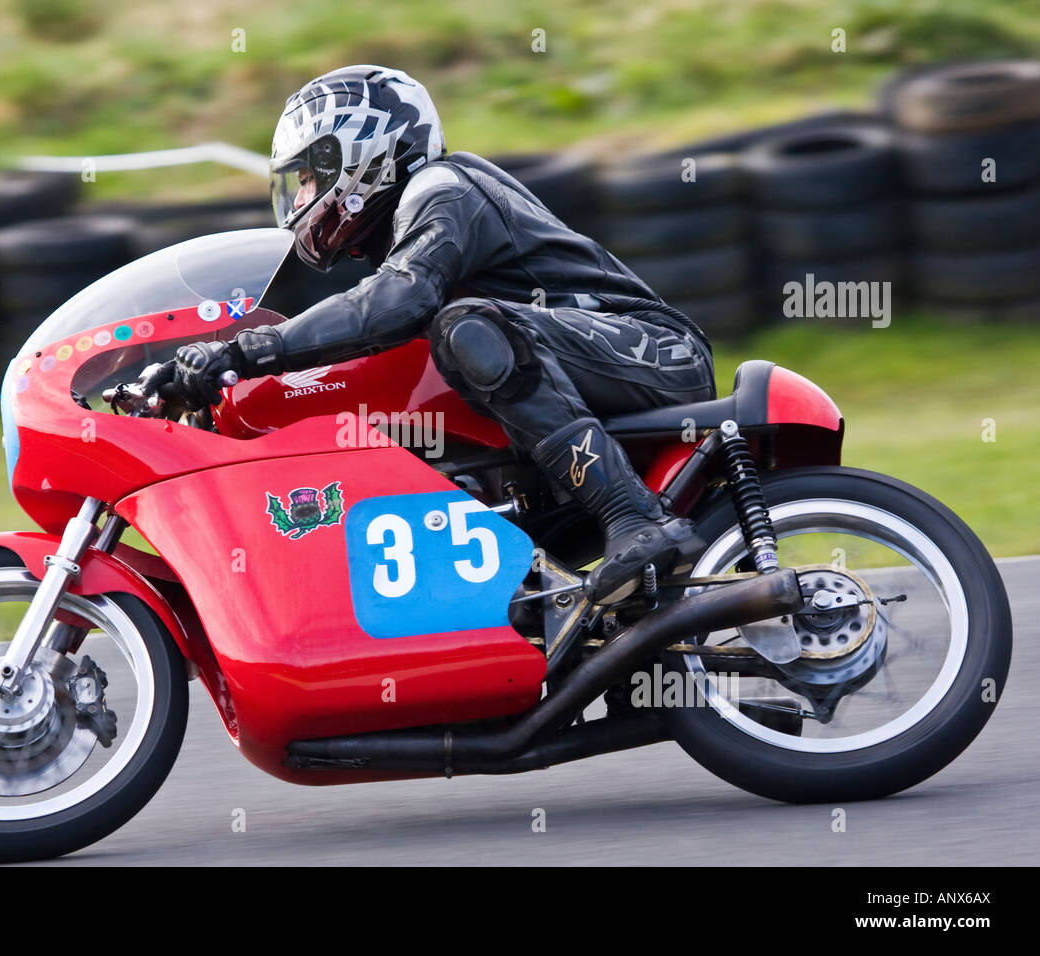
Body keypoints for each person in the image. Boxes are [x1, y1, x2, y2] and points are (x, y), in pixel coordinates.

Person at [144, 65, 717, 605]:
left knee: (464, 327)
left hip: (654, 351)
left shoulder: (443, 188)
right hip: (591, 360)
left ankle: (633, 516)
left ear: (363, 154)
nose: (300, 198)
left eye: (312, 176)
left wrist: (247, 351)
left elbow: (398, 299)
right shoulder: (406, 228)